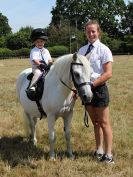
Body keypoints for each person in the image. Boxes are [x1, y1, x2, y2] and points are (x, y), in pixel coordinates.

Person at [78, 20, 114, 164]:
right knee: (96, 123)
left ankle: (109, 154)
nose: (91, 34)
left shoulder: (104, 49)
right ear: (85, 33)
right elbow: (78, 72)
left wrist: (92, 84)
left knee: (104, 123)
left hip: (98, 89)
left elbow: (108, 73)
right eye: (88, 31)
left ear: (98, 32)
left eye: (93, 31)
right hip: (85, 91)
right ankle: (99, 150)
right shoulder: (81, 51)